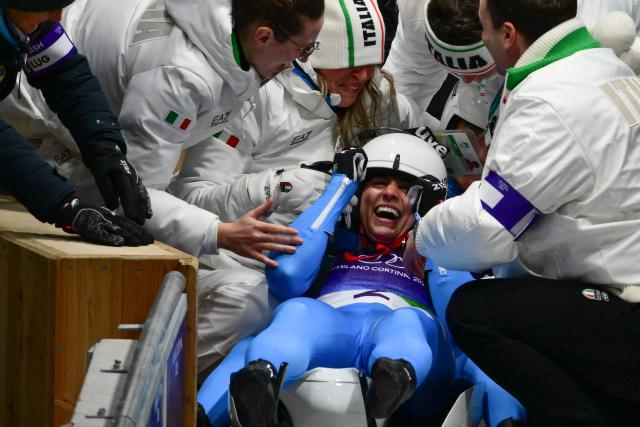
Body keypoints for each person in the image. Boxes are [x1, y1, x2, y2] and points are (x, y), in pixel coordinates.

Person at [167, 0, 436, 382]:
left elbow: (427, 145)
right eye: (350, 63)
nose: (361, 76)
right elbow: (189, 197)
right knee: (251, 302)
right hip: (238, 265)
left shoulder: (378, 97)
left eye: (371, 63)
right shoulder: (253, 94)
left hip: (329, 271)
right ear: (312, 53)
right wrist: (277, 187)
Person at [405, 0, 640, 425]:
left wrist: (422, 237)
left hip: (626, 313)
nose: (484, 39)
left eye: (483, 28)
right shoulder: (604, 65)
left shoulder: (551, 98)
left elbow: (484, 230)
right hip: (623, 292)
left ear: (508, 34)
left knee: (472, 311)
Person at [8, 0, 325, 259]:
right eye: (303, 49)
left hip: (53, 61)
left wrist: (105, 147)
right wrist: (217, 233)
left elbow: (67, 76)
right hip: (29, 105)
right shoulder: (180, 75)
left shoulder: (234, 33)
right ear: (264, 36)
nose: (300, 62)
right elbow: (132, 200)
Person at [0, 0, 152, 246]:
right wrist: (63, 207)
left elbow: (66, 77)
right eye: (46, 6)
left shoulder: (30, 20)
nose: (58, 17)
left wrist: (105, 146)